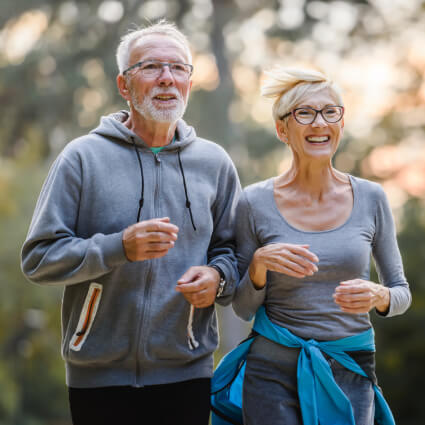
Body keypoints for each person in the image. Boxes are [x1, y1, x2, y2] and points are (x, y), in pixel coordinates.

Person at [21, 20, 241, 425]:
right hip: (97, 376)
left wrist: (218, 278)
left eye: (178, 68)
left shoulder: (214, 163)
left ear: (190, 82)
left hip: (187, 370)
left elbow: (235, 253)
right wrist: (117, 247)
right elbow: (38, 258)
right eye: (151, 67)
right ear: (124, 85)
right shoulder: (82, 157)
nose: (167, 79)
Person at [211, 67, 411, 425]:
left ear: (341, 123)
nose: (319, 123)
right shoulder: (254, 202)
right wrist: (258, 266)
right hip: (271, 370)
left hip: (350, 365)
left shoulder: (372, 197)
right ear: (282, 129)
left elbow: (401, 292)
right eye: (304, 113)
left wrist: (380, 297)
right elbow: (241, 307)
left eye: (330, 111)